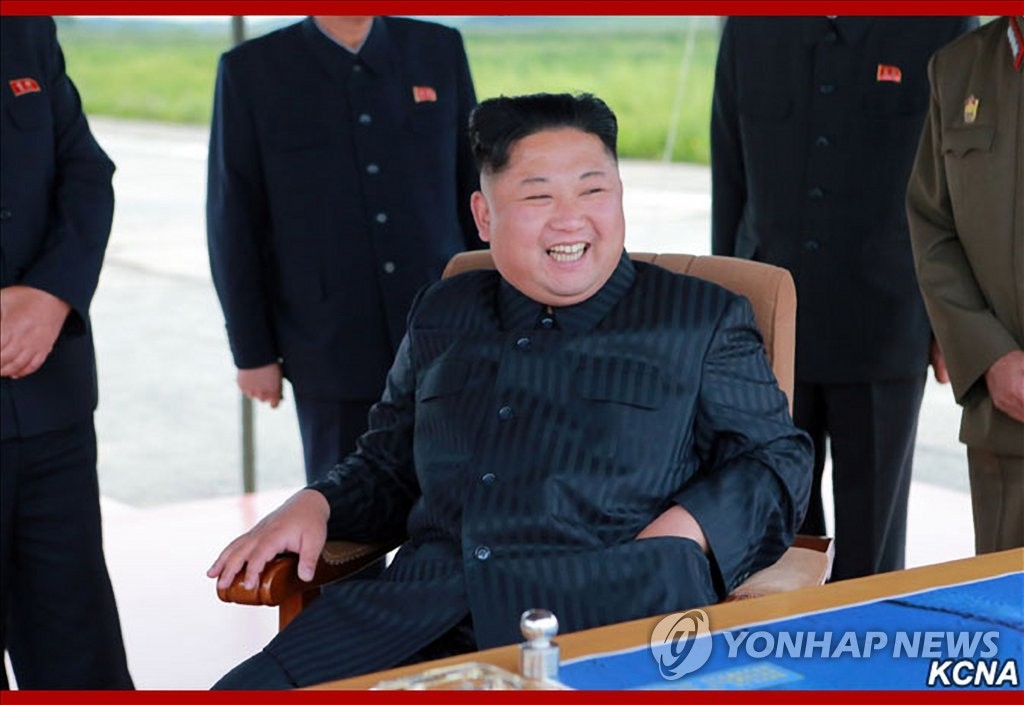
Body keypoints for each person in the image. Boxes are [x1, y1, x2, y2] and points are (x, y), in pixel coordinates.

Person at [208, 92, 812, 689]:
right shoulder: (444, 310)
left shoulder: (698, 319)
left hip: (602, 620)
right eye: (538, 195)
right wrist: (317, 503)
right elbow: (390, 465)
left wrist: (690, 529)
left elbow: (776, 459)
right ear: (484, 215)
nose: (570, 218)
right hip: (413, 619)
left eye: (593, 190)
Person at [710, 17, 975, 580]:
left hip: (887, 322)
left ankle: (868, 637)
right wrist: (724, 320)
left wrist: (953, 321)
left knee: (871, 552)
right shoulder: (750, 26)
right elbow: (729, 177)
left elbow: (964, 186)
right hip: (769, 333)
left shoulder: (942, 23)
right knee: (779, 545)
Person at [207, 16, 482, 483]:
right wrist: (252, 352)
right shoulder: (251, 70)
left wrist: (502, 311)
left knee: (457, 498)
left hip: (445, 331)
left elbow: (477, 192)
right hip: (328, 340)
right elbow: (233, 219)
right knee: (345, 507)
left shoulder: (438, 48)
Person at [0, 16, 133, 689]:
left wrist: (52, 293)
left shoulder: (24, 29)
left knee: (83, 662)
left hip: (49, 409)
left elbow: (85, 169)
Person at [906, 16, 1024, 554]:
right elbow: (933, 226)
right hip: (1006, 427)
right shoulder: (956, 70)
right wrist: (990, 355)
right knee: (1007, 600)